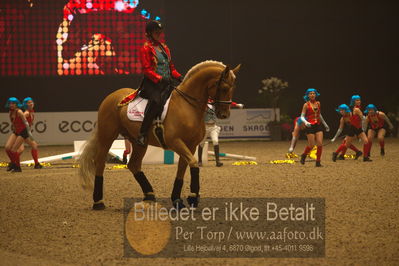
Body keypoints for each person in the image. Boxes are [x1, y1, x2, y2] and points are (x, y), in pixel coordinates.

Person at [136, 20, 183, 146]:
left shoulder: (165, 48)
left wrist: (180, 77)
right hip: (152, 83)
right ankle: (142, 133)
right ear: (150, 33)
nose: (159, 34)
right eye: (156, 32)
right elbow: (147, 70)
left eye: (159, 32)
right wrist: (160, 78)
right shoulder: (145, 48)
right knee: (156, 102)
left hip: (167, 82)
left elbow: (171, 67)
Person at [198, 100, 243, 167]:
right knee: (201, 143)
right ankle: (199, 161)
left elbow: (225, 102)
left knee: (215, 141)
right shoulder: (203, 103)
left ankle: (217, 161)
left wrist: (236, 105)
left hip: (213, 126)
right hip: (205, 126)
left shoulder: (215, 103)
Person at [299, 88, 330, 167]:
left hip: (318, 125)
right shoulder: (306, 105)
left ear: (316, 94)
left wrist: (325, 124)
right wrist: (306, 122)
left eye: (313, 93)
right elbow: (302, 116)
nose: (312, 95)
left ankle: (318, 161)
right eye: (310, 93)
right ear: (308, 95)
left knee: (319, 143)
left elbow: (319, 115)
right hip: (310, 125)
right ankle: (304, 155)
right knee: (311, 145)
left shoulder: (318, 103)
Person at [4, 97, 33, 172]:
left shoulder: (19, 111)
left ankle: (18, 167)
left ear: (17, 104)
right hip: (16, 131)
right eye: (10, 103)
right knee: (7, 148)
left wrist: (29, 133)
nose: (11, 105)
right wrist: (14, 128)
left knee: (14, 150)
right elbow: (13, 123)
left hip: (23, 131)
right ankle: (13, 163)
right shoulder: (10, 112)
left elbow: (26, 122)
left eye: (13, 103)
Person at [21, 97, 43, 169]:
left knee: (19, 149)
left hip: (25, 132)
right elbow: (20, 121)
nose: (31, 104)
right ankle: (36, 164)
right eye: (28, 103)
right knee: (34, 145)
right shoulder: (26, 113)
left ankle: (13, 163)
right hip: (23, 132)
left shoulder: (32, 111)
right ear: (25, 104)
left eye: (31, 102)